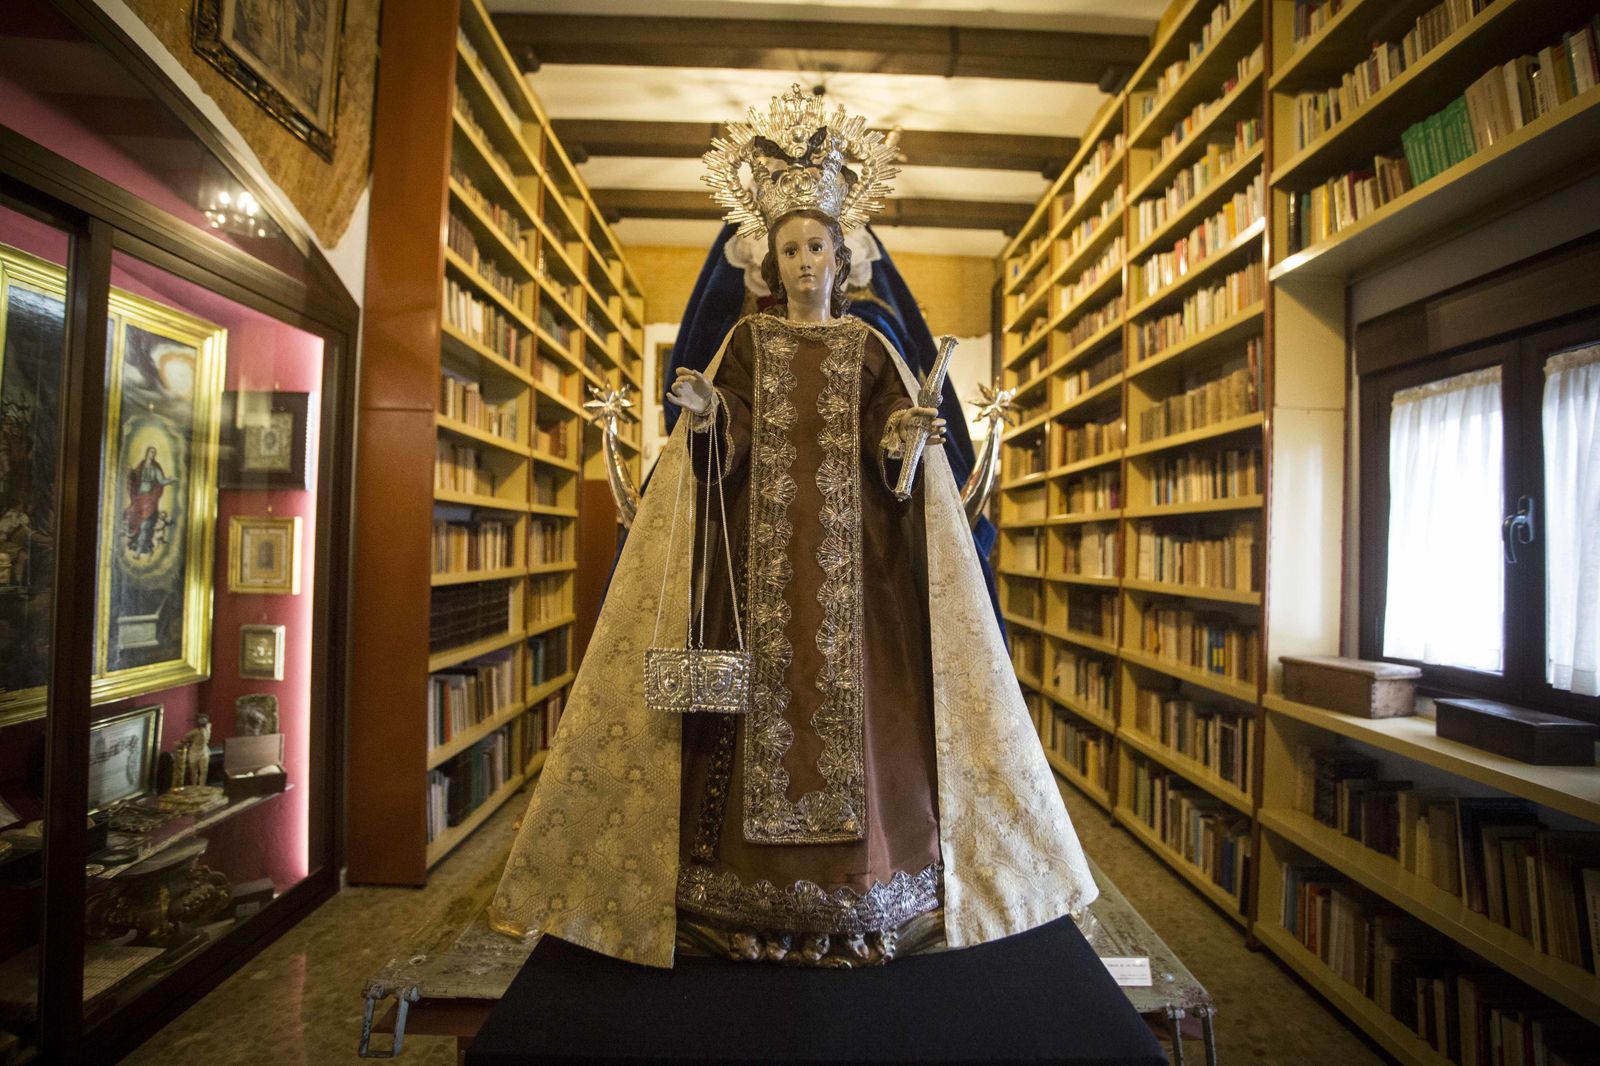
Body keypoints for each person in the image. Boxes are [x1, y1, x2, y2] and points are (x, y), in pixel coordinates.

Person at [490, 87, 1096, 968]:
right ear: (769, 263)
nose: (806, 260)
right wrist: (707, 411)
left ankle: (875, 880)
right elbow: (720, 442)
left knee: (874, 718)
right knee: (744, 721)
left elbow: (900, 452)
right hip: (757, 582)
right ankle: (727, 886)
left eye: (819, 245)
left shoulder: (871, 347)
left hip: (862, 588)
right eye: (790, 248)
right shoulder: (746, 344)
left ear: (843, 256)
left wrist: (906, 439)